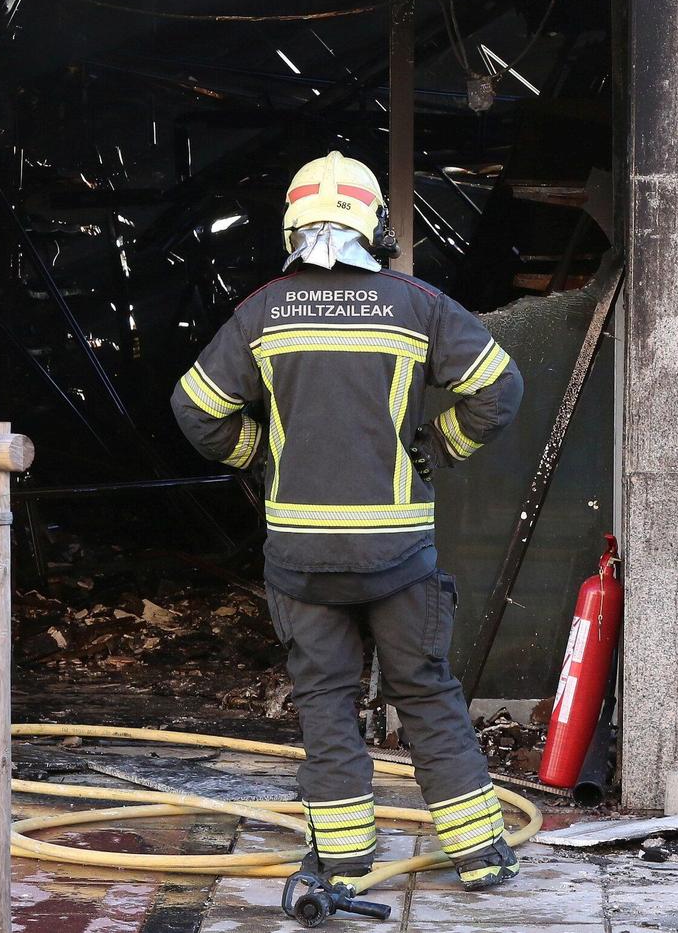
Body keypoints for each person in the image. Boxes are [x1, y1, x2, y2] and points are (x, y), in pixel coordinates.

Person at [171, 151, 525, 892]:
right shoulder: (416, 302)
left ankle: (341, 861)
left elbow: (196, 407)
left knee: (326, 702)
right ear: (376, 224)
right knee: (424, 693)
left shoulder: (262, 310)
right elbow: (499, 388)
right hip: (398, 555)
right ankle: (482, 857)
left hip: (301, 559)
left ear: (291, 226)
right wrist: (438, 445)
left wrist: (262, 455)